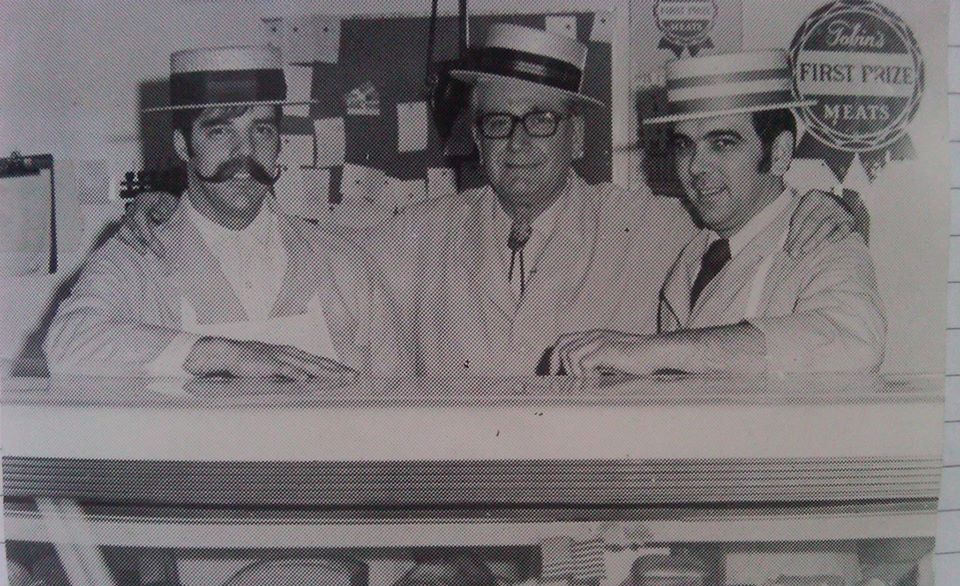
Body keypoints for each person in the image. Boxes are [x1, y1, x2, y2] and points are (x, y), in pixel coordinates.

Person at [121, 27, 854, 376]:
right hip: (460, 522)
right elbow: (290, 239)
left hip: (596, 521)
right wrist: (171, 206)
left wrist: (835, 208)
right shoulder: (417, 234)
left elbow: (745, 220)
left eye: (542, 119)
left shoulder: (651, 225)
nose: (519, 142)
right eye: (498, 122)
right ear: (475, 137)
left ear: (576, 135)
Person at [45, 46, 404, 379]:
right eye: (220, 131)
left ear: (280, 142)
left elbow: (402, 409)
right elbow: (66, 345)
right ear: (183, 145)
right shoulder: (139, 256)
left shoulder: (345, 263)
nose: (245, 151)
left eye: (261, 130)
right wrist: (219, 354)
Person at [551, 50, 886, 375]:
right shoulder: (695, 250)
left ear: (780, 153)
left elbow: (854, 340)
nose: (696, 166)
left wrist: (659, 349)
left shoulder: (821, 238)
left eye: (723, 143)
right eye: (684, 145)